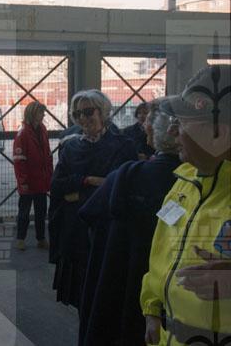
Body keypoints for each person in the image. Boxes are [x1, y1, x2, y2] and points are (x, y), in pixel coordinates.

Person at [77, 99, 181, 346]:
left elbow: (90, 219)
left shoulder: (124, 178)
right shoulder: (193, 185)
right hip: (175, 300)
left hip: (116, 284)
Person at [140, 64, 231, 346]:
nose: (171, 131)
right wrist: (152, 307)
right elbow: (160, 252)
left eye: (181, 122)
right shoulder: (184, 183)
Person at [49, 89, 136, 309]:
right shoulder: (71, 147)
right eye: (77, 114)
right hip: (76, 233)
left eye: (88, 112)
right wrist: (88, 180)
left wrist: (77, 192)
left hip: (106, 231)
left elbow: (121, 189)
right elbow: (57, 186)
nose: (83, 118)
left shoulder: (122, 146)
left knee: (106, 297)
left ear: (103, 112)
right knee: (80, 295)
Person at [13, 101, 53, 251]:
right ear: (33, 114)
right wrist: (23, 182)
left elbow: (47, 154)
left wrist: (49, 175)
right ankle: (20, 239)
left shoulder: (42, 130)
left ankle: (41, 239)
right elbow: (19, 161)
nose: (43, 115)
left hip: (40, 180)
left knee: (41, 212)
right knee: (24, 212)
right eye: (41, 112)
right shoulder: (23, 133)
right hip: (29, 182)